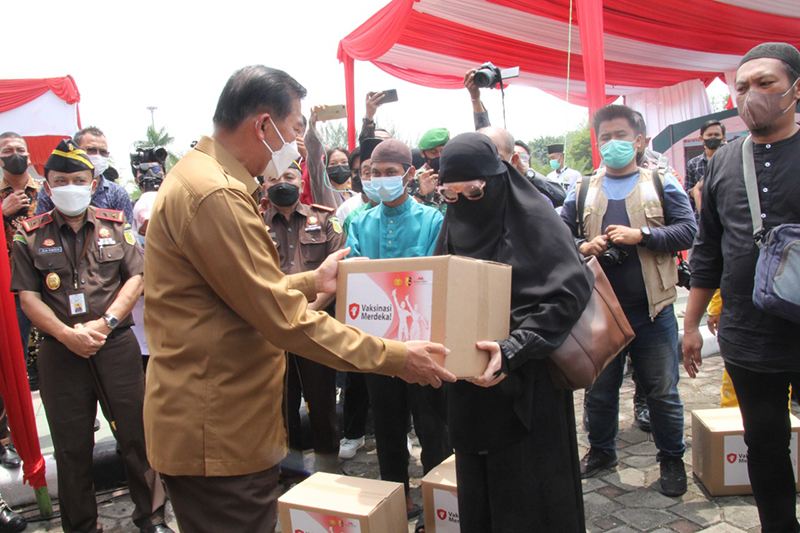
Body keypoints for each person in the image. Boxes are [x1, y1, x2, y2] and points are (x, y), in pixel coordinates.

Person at [142, 65, 455, 533]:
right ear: (263, 126)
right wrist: (395, 356)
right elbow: (283, 319)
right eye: (294, 129)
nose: (296, 146)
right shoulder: (216, 195)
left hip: (219, 420)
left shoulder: (200, 178)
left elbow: (241, 294)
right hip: (218, 430)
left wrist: (314, 281)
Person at [435, 132, 593, 532]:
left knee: (531, 490)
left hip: (529, 380)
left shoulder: (535, 217)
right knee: (480, 488)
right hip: (471, 385)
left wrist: (515, 347)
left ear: (498, 179)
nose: (464, 204)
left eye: (473, 192)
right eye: (449, 195)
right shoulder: (452, 224)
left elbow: (569, 292)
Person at [11, 140, 170, 533]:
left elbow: (137, 277)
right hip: (59, 350)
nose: (70, 186)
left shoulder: (116, 225)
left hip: (114, 345)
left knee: (137, 437)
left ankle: (152, 519)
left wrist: (107, 323)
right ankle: (81, 526)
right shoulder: (28, 236)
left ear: (93, 182)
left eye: (78, 179)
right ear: (46, 187)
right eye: (60, 180)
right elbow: (28, 299)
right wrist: (67, 334)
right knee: (71, 448)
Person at [683, 42, 800, 532]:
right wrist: (689, 325)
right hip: (749, 333)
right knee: (764, 442)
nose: (752, 94)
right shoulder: (723, 162)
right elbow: (707, 251)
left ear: (795, 89)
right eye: (743, 86)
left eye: (765, 83)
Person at [560, 104, 696, 497]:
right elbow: (558, 235)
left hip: (653, 311)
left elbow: (689, 231)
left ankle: (671, 458)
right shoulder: (583, 188)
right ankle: (601, 452)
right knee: (599, 391)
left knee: (662, 392)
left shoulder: (661, 182)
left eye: (620, 136)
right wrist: (585, 244)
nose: (612, 144)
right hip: (600, 310)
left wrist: (644, 237)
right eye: (604, 138)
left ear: (639, 141)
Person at [346, 139, 451, 519]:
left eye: (391, 173)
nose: (382, 180)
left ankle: (439, 497)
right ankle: (397, 495)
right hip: (378, 343)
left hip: (424, 341)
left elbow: (434, 274)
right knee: (387, 424)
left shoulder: (433, 220)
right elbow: (355, 274)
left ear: (408, 175)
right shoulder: (358, 221)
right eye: (375, 173)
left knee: (431, 424)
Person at [263, 161, 346, 475]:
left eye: (288, 176)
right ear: (263, 183)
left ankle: (328, 469)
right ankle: (291, 472)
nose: (281, 182)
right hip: (272, 328)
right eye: (273, 177)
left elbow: (337, 270)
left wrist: (306, 315)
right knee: (281, 404)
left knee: (322, 402)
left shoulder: (324, 218)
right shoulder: (255, 223)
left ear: (300, 180)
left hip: (315, 325)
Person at [0, 132, 36, 464]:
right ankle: (6, 438)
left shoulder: (48, 190)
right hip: (11, 292)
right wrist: (2, 210)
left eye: (20, 150)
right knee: (10, 366)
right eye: (8, 151)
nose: (15, 155)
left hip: (52, 289)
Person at [35, 127, 134, 224]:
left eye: (103, 152)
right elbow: (42, 229)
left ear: (93, 187)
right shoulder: (53, 189)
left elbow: (124, 232)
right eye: (91, 150)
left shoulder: (117, 194)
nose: (97, 156)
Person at [684, 119, 726, 201]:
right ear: (701, 138)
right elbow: (687, 194)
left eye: (717, 135)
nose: (713, 137)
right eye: (709, 135)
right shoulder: (693, 164)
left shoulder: (729, 161)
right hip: (702, 211)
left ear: (723, 138)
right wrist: (698, 189)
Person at [408, 128, 448, 210]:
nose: (439, 156)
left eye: (443, 151)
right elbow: (404, 212)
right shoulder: (413, 179)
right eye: (433, 152)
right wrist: (420, 195)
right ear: (423, 153)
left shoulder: (457, 177)